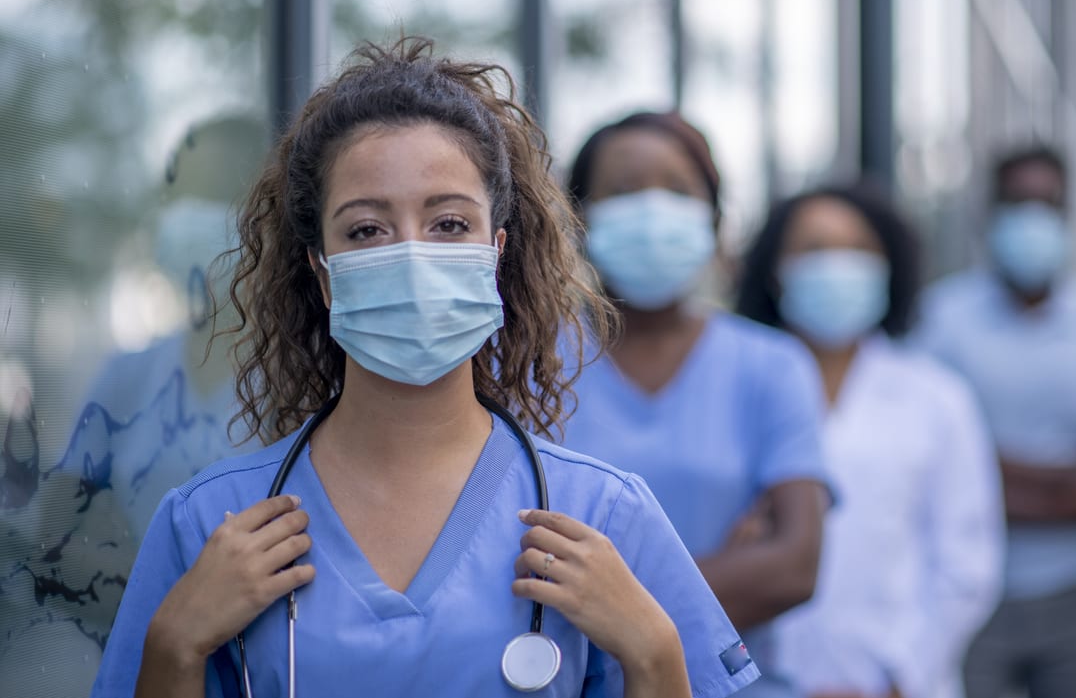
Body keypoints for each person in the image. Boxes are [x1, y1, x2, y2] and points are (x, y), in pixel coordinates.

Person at [90, 38, 760, 698]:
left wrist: (656, 652)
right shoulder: (210, 522)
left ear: (495, 253)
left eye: (447, 224)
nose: (410, 254)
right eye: (366, 231)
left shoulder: (603, 517)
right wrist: (173, 646)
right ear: (322, 274)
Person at [561, 111, 830, 698]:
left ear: (713, 219)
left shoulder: (772, 365)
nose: (653, 211)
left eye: (677, 191)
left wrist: (593, 598)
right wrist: (721, 575)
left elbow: (795, 567)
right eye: (625, 191)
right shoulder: (526, 365)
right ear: (579, 219)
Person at [735, 185, 1004, 698]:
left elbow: (967, 564)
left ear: (888, 268)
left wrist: (900, 679)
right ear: (776, 270)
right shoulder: (738, 387)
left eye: (858, 250)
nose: (837, 265)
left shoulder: (937, 398)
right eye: (814, 249)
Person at [914, 146, 1076, 698]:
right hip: (969, 597)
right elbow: (922, 470)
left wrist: (982, 476)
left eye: (1046, 204)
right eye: (1017, 203)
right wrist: (1070, 479)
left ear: (1066, 215)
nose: (1032, 220)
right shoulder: (939, 323)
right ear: (990, 216)